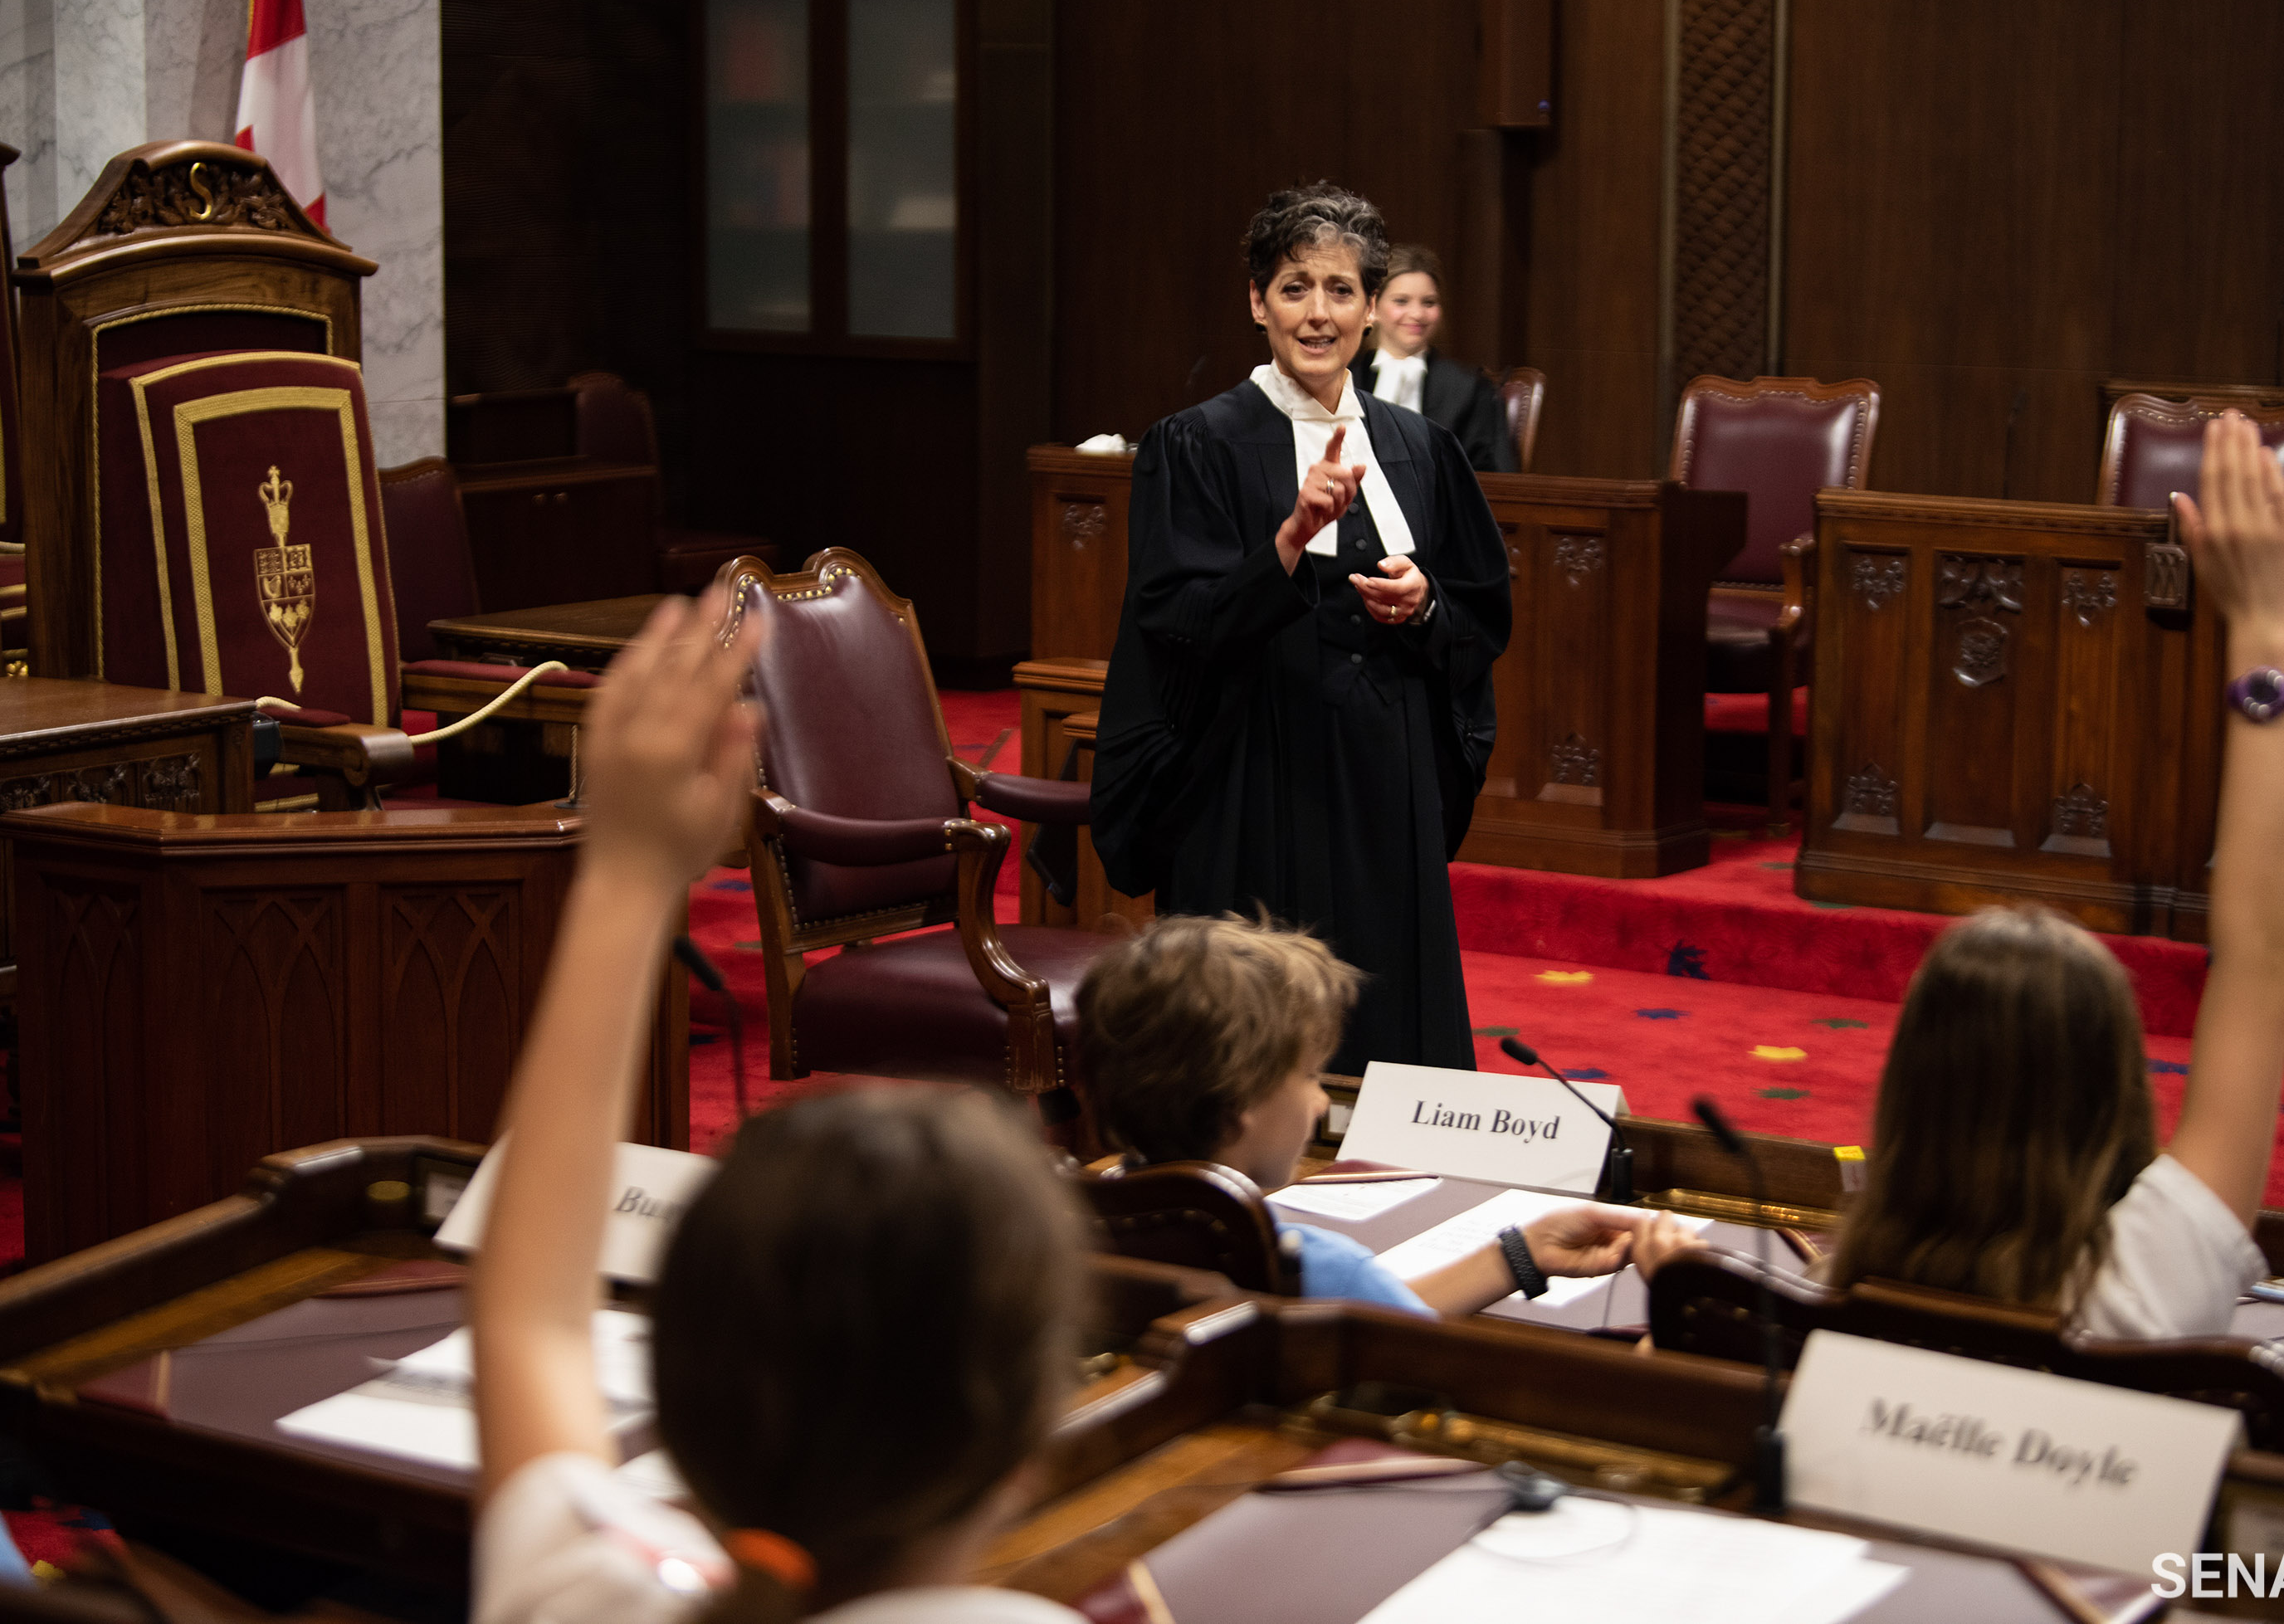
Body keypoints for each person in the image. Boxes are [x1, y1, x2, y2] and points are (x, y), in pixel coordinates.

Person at [470, 588, 1089, 1624]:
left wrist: (626, 871)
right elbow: (530, 1319)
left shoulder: (589, 1598)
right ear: (1027, 1452)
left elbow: (531, 1317)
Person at [1767, 414, 2284, 1339]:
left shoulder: (1829, 1307)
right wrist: (2267, 632)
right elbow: (2264, 950)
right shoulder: (2154, 1278)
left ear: (1909, 1092)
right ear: (2111, 1092)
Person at [1091, 183, 1513, 1079]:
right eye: (1293, 287)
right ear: (1256, 301)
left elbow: (1482, 615)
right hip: (1249, 776)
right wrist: (1286, 542)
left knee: (1389, 1026)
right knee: (1249, 1044)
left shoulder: (1422, 449)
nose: (1317, 313)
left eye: (1340, 289)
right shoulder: (1195, 445)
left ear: (1370, 307)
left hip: (1383, 781)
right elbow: (1176, 625)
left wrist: (1425, 604)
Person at [1077, 913, 1706, 1315]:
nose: (1322, 1101)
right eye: (1308, 1076)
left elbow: (1388, 1312)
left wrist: (1524, 1254)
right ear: (1240, 1105)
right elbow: (1421, 1349)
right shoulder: (1307, 1259)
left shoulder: (1101, 1216)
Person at [1348, 244, 1517, 474]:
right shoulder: (1343, 381)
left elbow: (1497, 480)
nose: (1417, 314)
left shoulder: (1471, 390)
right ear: (1373, 307)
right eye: (1401, 301)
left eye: (1428, 303)